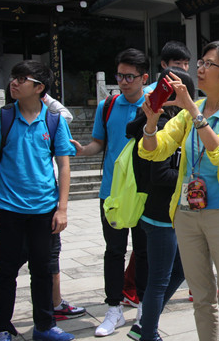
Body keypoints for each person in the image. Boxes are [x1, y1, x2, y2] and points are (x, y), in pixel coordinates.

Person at [139, 40, 219, 341]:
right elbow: (154, 150)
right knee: (201, 297)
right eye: (200, 62)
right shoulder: (187, 113)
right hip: (187, 214)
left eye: (208, 64)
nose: (200, 69)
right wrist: (151, 124)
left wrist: (192, 109)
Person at [0, 92, 85, 323]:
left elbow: (64, 163)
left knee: (42, 267)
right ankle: (3, 325)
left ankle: (45, 323)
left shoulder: (52, 120)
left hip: (44, 207)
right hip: (8, 207)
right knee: (9, 269)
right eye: (15, 78)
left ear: (39, 87)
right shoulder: (2, 119)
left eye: (23, 78)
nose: (16, 82)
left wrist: (62, 209)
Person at [71, 48, 149, 337]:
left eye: (130, 77)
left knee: (144, 251)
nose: (124, 82)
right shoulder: (108, 105)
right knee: (114, 251)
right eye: (120, 76)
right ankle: (114, 308)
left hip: (144, 191)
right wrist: (83, 150)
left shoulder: (154, 105)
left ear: (144, 78)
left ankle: (144, 306)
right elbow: (99, 143)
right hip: (112, 192)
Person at [125, 66, 193, 341]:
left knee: (180, 270)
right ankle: (148, 333)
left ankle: (144, 324)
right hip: (160, 214)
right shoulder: (161, 125)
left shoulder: (178, 122)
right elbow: (160, 174)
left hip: (172, 213)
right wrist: (193, 176)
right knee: (159, 280)